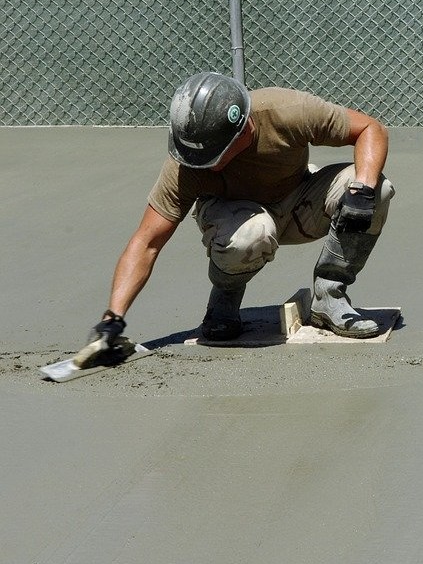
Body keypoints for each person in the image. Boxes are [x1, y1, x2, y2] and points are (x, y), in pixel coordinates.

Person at [81, 72, 394, 364]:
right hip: (237, 222)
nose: (205, 165)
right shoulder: (188, 163)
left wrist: (362, 188)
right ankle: (225, 300)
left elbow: (370, 129)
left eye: (214, 155)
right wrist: (113, 318)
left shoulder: (285, 110)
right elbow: (147, 241)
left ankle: (329, 296)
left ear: (244, 129)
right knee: (252, 233)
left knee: (376, 189)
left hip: (300, 201)